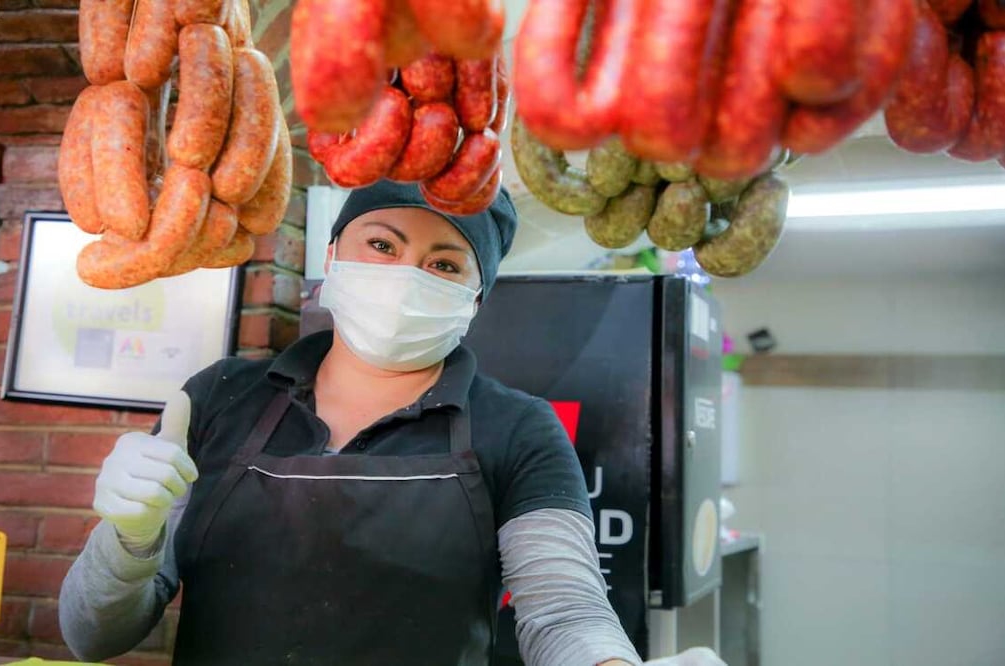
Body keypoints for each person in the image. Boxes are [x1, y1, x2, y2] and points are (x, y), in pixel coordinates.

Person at [59, 181, 726, 666]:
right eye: (381, 244)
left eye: (442, 263)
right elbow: (93, 636)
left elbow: (562, 611)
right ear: (333, 255)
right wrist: (131, 537)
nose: (406, 276)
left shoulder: (516, 429)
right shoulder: (220, 398)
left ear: (473, 297)